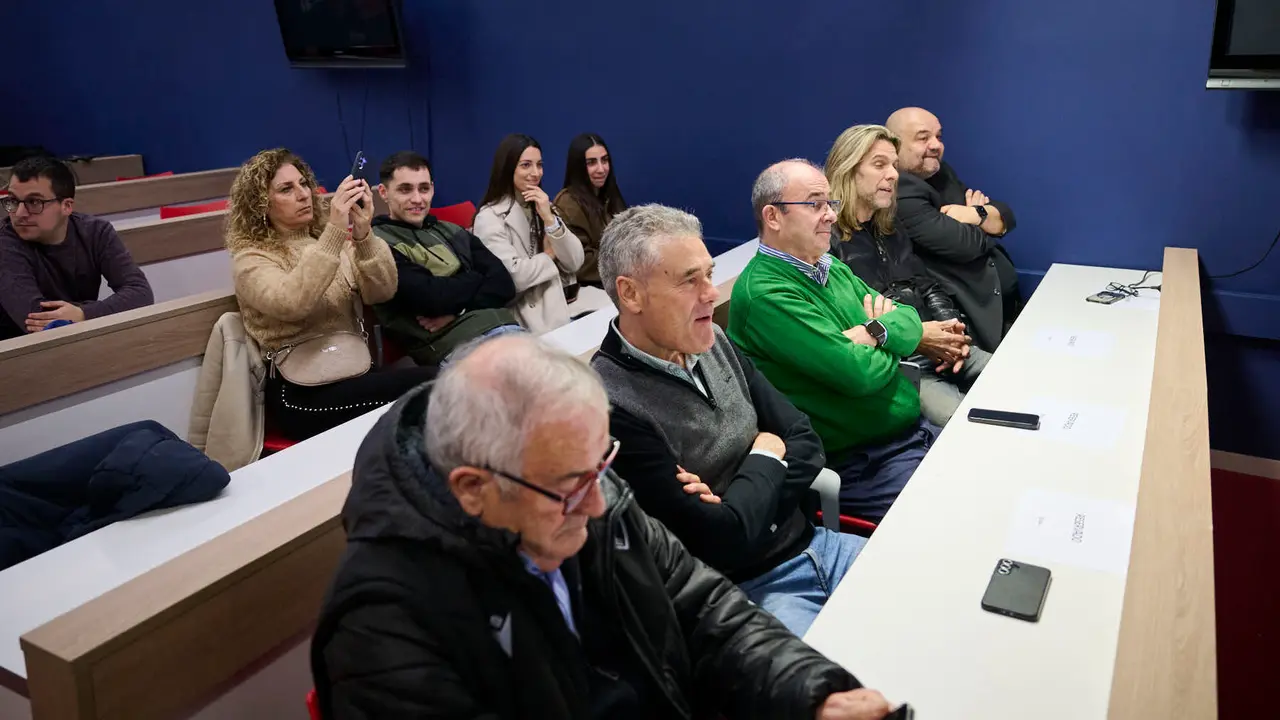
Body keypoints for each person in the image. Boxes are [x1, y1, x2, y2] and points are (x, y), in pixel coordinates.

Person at [311, 333, 896, 720]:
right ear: (473, 489)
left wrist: (813, 693)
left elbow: (702, 611)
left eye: (602, 466)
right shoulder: (384, 626)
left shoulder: (586, 488)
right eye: (570, 487)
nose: (596, 505)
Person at [590, 204, 866, 636]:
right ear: (630, 294)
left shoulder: (712, 339)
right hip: (744, 591)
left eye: (709, 273)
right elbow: (716, 541)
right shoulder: (608, 403)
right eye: (689, 280)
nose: (711, 293)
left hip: (819, 543)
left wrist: (741, 505)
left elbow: (805, 441)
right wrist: (765, 455)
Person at [728, 160, 940, 523]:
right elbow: (856, 373)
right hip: (865, 463)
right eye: (815, 204)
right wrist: (887, 335)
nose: (829, 215)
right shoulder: (765, 294)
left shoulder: (829, 266)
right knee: (961, 521)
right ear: (773, 217)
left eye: (831, 203)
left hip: (912, 432)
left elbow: (908, 320)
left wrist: (874, 332)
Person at [225, 148, 435, 442]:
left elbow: (382, 290)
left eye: (303, 184)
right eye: (287, 189)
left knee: (442, 384)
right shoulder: (252, 258)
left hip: (355, 371)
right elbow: (292, 303)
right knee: (435, 385)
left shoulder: (330, 242)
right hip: (300, 394)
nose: (303, 194)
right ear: (261, 204)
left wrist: (362, 234)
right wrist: (336, 231)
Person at [825, 124, 989, 425]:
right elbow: (853, 328)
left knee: (1019, 377)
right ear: (848, 169)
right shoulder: (826, 242)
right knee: (966, 425)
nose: (894, 174)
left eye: (894, 165)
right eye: (879, 165)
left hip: (937, 345)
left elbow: (926, 287)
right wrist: (921, 340)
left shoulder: (890, 225)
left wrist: (954, 334)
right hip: (899, 365)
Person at [886, 106, 1020, 352]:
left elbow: (1006, 216)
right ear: (894, 145)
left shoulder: (939, 172)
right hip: (972, 320)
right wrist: (983, 220)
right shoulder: (899, 191)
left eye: (939, 136)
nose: (936, 145)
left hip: (1008, 309)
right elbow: (964, 245)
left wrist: (973, 214)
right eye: (923, 138)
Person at [370, 150, 521, 366]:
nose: (417, 199)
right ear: (384, 192)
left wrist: (456, 309)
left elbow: (504, 284)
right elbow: (432, 298)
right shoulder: (378, 244)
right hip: (450, 346)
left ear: (432, 188)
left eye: (424, 188)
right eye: (405, 190)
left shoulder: (451, 230)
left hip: (506, 328)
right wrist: (475, 278)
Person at [0, 155, 154, 340]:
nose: (19, 213)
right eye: (14, 201)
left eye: (34, 202)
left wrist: (83, 313)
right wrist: (89, 314)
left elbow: (141, 293)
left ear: (66, 206)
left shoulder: (96, 232)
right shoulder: (5, 242)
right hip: (15, 354)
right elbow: (37, 320)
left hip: (77, 343)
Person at [474, 134, 585, 334]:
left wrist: (550, 220)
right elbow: (512, 278)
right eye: (526, 165)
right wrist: (550, 255)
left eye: (539, 165)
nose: (536, 173)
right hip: (523, 316)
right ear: (508, 168)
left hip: (557, 307)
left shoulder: (543, 206)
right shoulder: (489, 217)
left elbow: (575, 261)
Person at [554, 133, 629, 287]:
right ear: (578, 167)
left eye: (605, 160)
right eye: (591, 163)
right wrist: (626, 260)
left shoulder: (609, 194)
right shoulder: (568, 203)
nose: (601, 169)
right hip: (591, 289)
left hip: (618, 280)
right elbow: (581, 262)